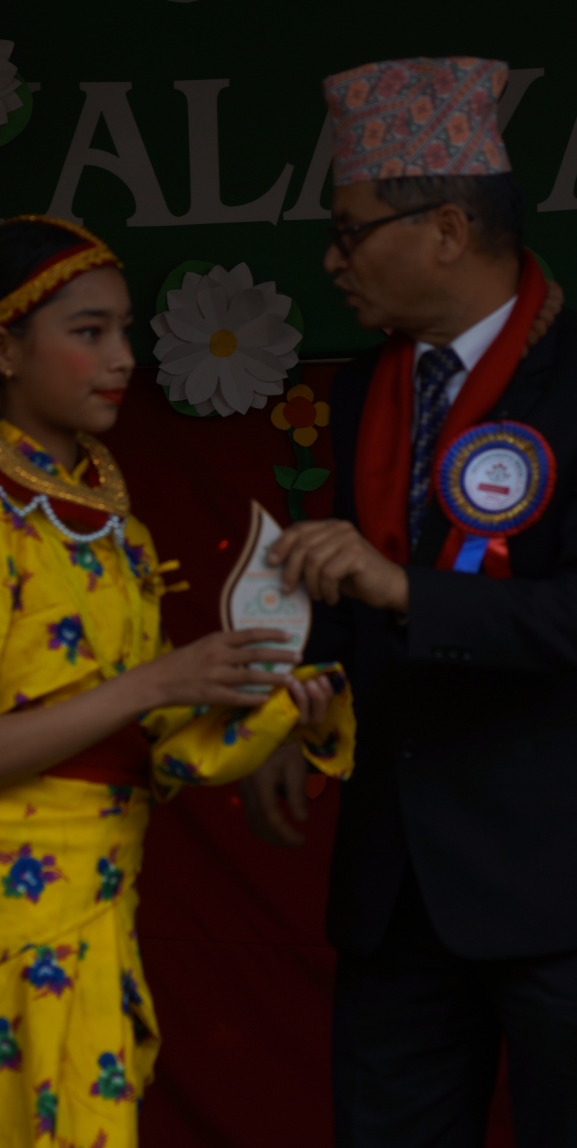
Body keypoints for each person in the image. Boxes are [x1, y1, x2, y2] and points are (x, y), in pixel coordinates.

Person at [0, 215, 354, 1148]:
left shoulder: (120, 538)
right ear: (2, 348)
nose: (121, 357)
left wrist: (276, 710)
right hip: (4, 909)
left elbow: (161, 755)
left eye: (126, 329)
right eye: (89, 331)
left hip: (102, 890)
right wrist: (159, 681)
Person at [241, 57, 577, 1147]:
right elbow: (347, 592)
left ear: (445, 229)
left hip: (553, 882)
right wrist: (298, 705)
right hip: (395, 892)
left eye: (349, 232)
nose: (332, 261)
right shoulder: (364, 388)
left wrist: (407, 591)